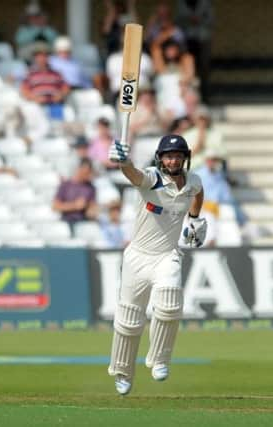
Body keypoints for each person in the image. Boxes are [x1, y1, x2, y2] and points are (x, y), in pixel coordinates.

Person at [106, 133, 206, 396]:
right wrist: (123, 162)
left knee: (171, 305)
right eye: (168, 156)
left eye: (178, 156)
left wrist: (194, 219)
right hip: (137, 257)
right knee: (129, 320)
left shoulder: (192, 181)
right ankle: (123, 372)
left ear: (185, 158)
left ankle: (159, 359)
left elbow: (197, 192)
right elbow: (134, 175)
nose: (173, 160)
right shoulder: (152, 178)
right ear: (160, 158)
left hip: (167, 255)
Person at [21, 43, 70, 121]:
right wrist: (35, 98)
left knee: (57, 125)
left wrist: (60, 95)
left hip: (55, 104)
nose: (42, 58)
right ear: (35, 57)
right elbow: (24, 90)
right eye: (39, 55)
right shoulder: (30, 74)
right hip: (37, 106)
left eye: (45, 55)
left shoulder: (56, 73)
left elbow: (65, 87)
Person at [176, 0, 213, 101]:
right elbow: (178, 20)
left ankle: (204, 97)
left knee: (203, 70)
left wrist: (199, 20)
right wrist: (189, 20)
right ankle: (189, 97)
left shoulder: (206, 3)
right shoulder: (182, 3)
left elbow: (211, 20)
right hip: (187, 40)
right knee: (189, 70)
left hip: (202, 41)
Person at [52, 158, 98, 225]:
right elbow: (55, 206)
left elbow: (92, 209)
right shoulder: (66, 185)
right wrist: (74, 205)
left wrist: (92, 210)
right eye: (86, 172)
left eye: (90, 172)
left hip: (83, 223)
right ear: (79, 169)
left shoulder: (91, 188)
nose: (89, 175)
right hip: (66, 222)